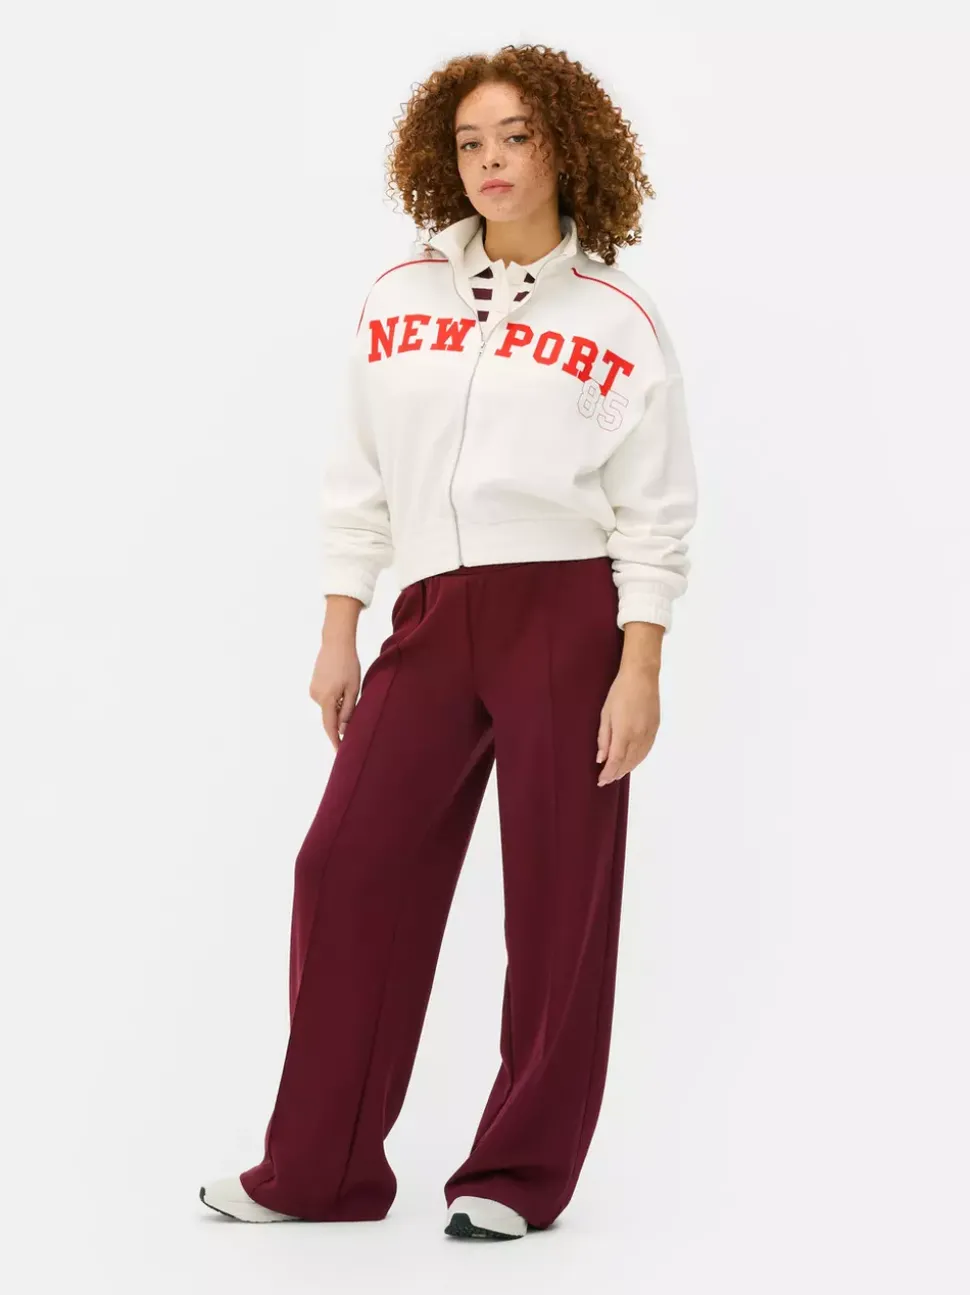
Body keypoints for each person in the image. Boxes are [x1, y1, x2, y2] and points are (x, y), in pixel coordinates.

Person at [200, 42, 698, 1240]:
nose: (490, 160)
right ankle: (319, 1168)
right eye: (471, 141)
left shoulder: (619, 317)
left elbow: (655, 510)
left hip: (566, 615)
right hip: (428, 612)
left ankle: (515, 1174)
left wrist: (639, 663)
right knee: (344, 865)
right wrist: (341, 629)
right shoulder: (398, 296)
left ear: (565, 148)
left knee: (559, 898)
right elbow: (357, 479)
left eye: (516, 136)